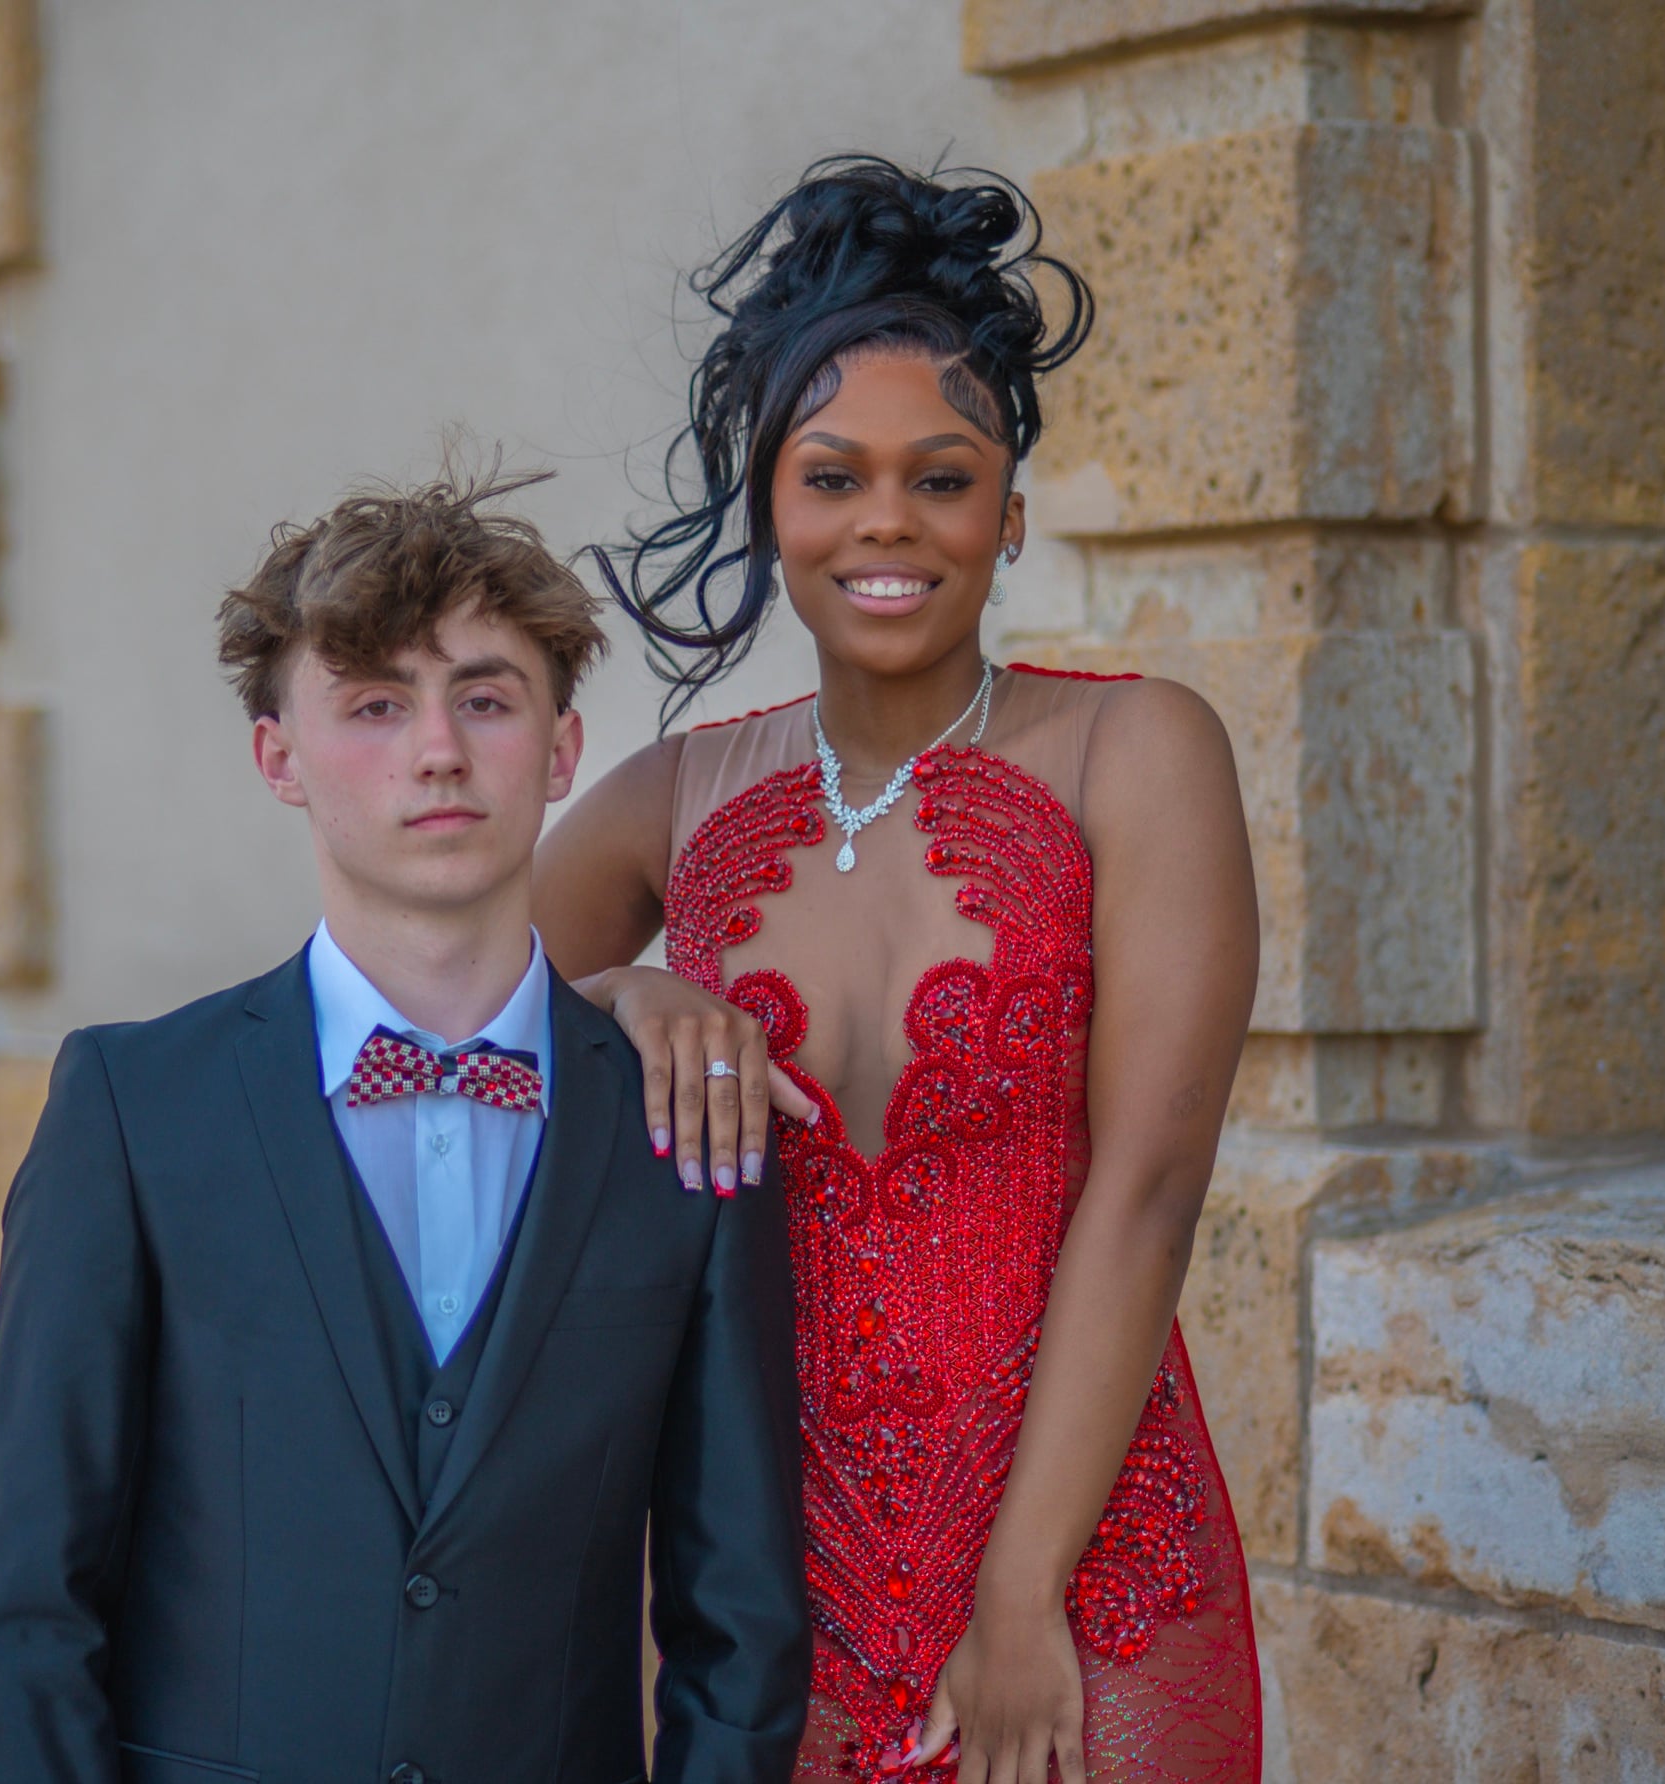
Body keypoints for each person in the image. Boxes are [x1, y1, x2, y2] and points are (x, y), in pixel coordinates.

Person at [535, 158, 1264, 1782]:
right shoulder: (674, 801)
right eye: (832, 475)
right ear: (770, 505)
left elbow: (1147, 1191)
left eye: (943, 478)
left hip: (1091, 1580)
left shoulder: (1134, 752)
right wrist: (614, 995)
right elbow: (435, 1032)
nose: (886, 522)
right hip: (765, 1587)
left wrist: (1019, 1597)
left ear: (1009, 514)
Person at [0, 466, 811, 1784]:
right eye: (372, 704)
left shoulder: (686, 1129)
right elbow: (25, 1619)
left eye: (485, 698)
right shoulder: (131, 1115)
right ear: (277, 756)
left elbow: (738, 1629)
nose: (437, 750)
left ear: (564, 748)